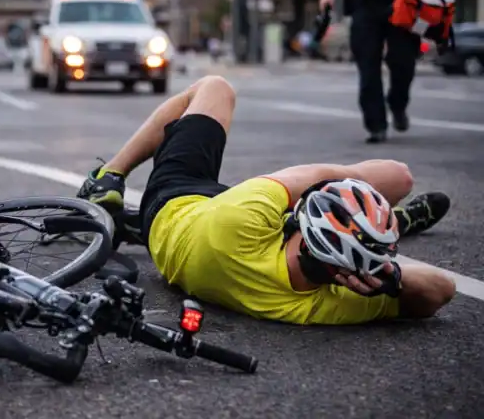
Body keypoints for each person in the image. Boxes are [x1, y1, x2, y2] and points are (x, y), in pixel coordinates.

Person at [77, 75, 456, 325]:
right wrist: (388, 278)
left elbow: (329, 173)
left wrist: (350, 190)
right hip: (194, 245)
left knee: (215, 87)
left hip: (175, 203)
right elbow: (440, 290)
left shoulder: (244, 219)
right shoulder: (316, 304)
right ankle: (389, 225)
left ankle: (107, 178)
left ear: (299, 220)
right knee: (398, 182)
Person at [320, 0, 449, 143]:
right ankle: (376, 125)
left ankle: (398, 106)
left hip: (403, 4)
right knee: (368, 66)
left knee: (403, 63)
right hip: (365, 4)